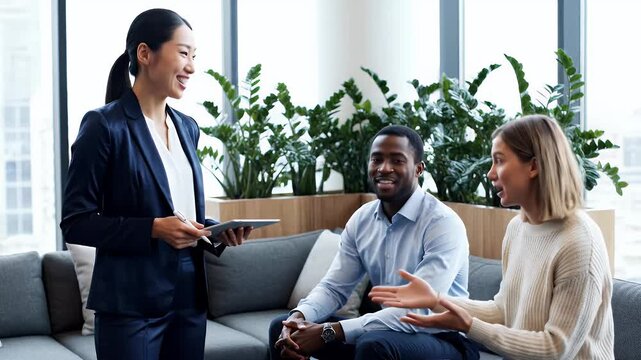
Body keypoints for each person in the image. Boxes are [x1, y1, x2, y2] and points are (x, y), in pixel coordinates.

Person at [60, 9, 251, 360]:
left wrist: (213, 231)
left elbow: (180, 213)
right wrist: (152, 229)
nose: (191, 67)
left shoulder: (187, 127)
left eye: (194, 56)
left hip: (189, 295)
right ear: (145, 54)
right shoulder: (104, 126)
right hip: (130, 303)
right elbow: (75, 222)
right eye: (183, 53)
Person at [369, 115, 615, 359]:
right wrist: (436, 300)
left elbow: (555, 349)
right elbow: (503, 310)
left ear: (534, 166)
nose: (490, 174)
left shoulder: (580, 241)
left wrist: (469, 326)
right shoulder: (517, 228)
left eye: (499, 161)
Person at [269, 125, 478, 360]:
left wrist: (331, 331)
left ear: (418, 169)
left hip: (445, 338)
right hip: (386, 331)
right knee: (283, 329)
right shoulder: (362, 219)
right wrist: (299, 315)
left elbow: (419, 309)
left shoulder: (442, 223)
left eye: (397, 161)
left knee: (374, 345)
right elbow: (334, 287)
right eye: (376, 159)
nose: (384, 168)